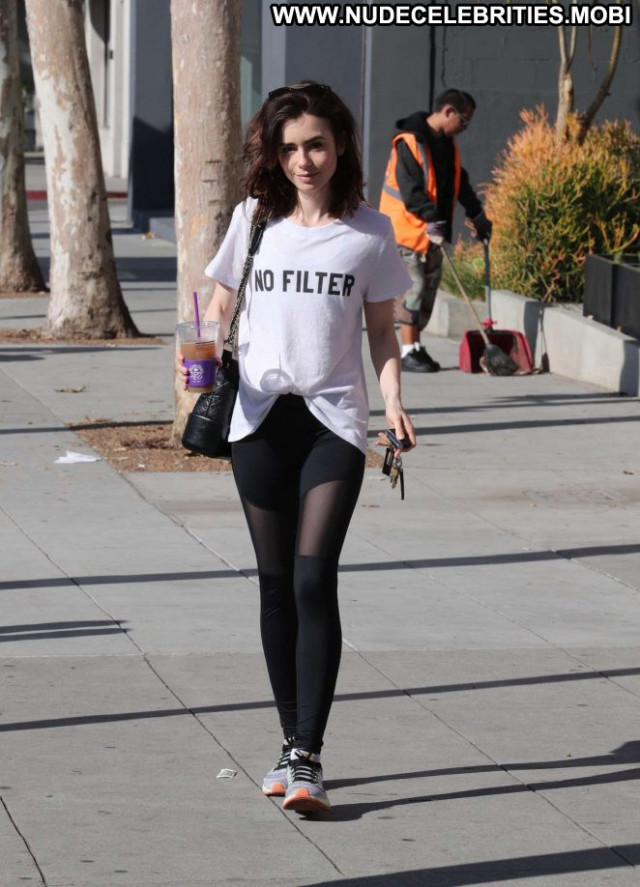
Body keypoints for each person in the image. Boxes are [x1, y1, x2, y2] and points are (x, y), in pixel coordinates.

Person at [177, 81, 416, 813]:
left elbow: (382, 330)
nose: (303, 160)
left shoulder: (370, 233)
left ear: (340, 144)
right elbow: (217, 304)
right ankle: (290, 741)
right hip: (256, 419)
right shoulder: (255, 218)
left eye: (315, 144)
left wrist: (395, 402)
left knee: (314, 579)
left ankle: (307, 754)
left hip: (333, 422)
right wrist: (198, 363)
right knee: (276, 583)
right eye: (289, 148)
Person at [379, 88, 492, 373]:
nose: (465, 127)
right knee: (413, 289)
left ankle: (416, 347)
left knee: (428, 291)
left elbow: (459, 183)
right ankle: (407, 351)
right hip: (407, 231)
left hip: (431, 232)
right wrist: (431, 218)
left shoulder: (447, 145)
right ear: (448, 111)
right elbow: (410, 190)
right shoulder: (409, 141)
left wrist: (478, 216)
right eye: (464, 120)